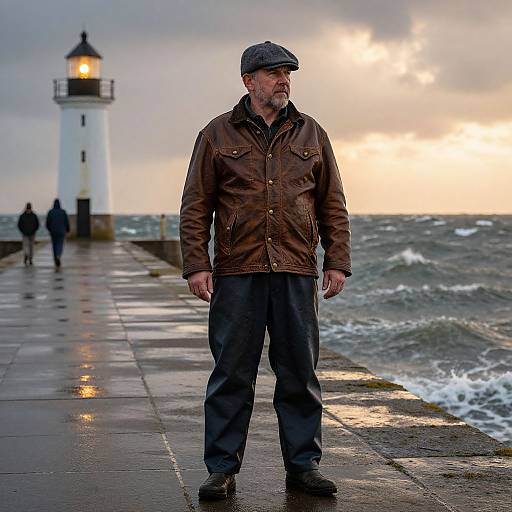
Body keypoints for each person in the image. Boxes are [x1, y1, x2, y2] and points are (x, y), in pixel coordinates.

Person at [179, 41, 352, 500]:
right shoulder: (216, 134)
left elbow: (332, 203)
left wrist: (336, 260)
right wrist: (197, 265)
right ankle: (221, 469)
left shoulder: (312, 133)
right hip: (237, 271)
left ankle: (304, 466)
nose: (283, 80)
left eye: (287, 73)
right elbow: (196, 205)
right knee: (232, 374)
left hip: (296, 269)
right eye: (274, 73)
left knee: (299, 372)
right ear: (248, 81)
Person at [45, 199, 70, 268]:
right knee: (60, 244)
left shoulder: (50, 212)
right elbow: (66, 222)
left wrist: (49, 229)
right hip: (61, 231)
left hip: (53, 231)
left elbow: (47, 222)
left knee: (54, 245)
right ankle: (58, 255)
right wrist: (68, 230)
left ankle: (55, 256)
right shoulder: (63, 212)